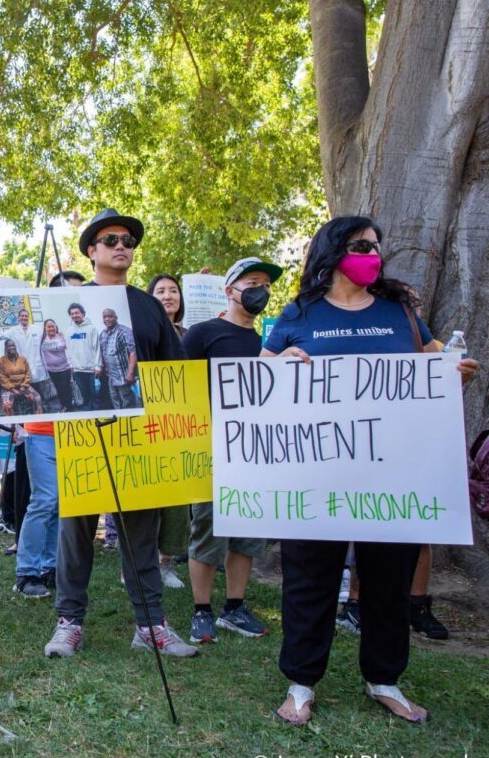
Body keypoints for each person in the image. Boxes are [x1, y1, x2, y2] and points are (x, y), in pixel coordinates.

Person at [263, 215, 479, 724]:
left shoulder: (399, 312)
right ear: (334, 252)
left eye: (378, 247)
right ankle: (301, 683)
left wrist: (455, 373)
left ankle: (385, 678)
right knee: (309, 580)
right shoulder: (300, 313)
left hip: (393, 478)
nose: (373, 254)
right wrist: (280, 365)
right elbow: (259, 380)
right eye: (362, 245)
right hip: (316, 477)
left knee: (387, 580)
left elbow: (434, 366)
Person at [43, 208, 196, 659]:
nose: (121, 246)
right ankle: (68, 622)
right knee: (76, 532)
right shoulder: (67, 304)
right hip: (82, 436)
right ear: (91, 251)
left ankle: (150, 625)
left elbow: (177, 373)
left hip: (140, 437)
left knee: (140, 534)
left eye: (128, 240)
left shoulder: (148, 308)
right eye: (110, 240)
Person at [181, 257, 283, 644]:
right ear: (229, 291)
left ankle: (234, 608)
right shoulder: (202, 333)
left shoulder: (274, 342)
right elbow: (179, 387)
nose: (261, 290)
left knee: (248, 531)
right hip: (211, 448)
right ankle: (201, 610)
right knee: (208, 527)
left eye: (266, 285)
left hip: (257, 450)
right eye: (252, 282)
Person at [145, 273, 191, 591]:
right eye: (160, 291)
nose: (167, 295)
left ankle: (166, 563)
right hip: (147, 426)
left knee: (176, 501)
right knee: (147, 500)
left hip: (180, 426)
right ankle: (140, 562)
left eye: (173, 290)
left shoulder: (191, 334)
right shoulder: (142, 330)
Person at [5, 308, 48, 406]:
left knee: (38, 386)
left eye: (26, 316)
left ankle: (42, 405)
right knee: (27, 386)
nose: (24, 318)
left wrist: (58, 335)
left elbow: (47, 334)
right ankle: (34, 406)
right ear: (19, 317)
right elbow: (2, 336)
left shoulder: (36, 329)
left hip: (35, 362)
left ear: (28, 317)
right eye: (22, 316)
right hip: (22, 363)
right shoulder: (13, 330)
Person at [99, 307, 139, 408]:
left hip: (123, 376)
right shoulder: (103, 334)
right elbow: (104, 353)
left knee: (127, 402)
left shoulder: (124, 331)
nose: (107, 319)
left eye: (110, 316)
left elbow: (133, 352)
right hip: (111, 377)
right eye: (105, 317)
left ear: (116, 317)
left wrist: (130, 373)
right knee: (115, 401)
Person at [65, 301, 101, 410]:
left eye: (77, 313)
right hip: (77, 369)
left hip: (91, 369)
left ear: (83, 314)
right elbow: (68, 349)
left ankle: (97, 412)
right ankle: (87, 413)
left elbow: (97, 348)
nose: (75, 315)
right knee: (84, 394)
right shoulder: (69, 330)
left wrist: (98, 366)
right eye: (72, 314)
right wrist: (71, 365)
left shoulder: (92, 329)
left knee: (95, 394)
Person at [0, 339, 42, 416]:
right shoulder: (1, 361)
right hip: (9, 389)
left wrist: (23, 387)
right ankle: (11, 426)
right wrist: (13, 389)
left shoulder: (23, 359)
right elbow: (2, 378)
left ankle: (37, 421)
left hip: (23, 387)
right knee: (7, 405)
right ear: (6, 348)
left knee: (37, 398)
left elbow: (28, 374)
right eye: (9, 346)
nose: (12, 347)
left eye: (13, 345)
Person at [39, 319, 74, 411]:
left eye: (52, 326)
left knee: (65, 389)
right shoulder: (42, 339)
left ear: (56, 327)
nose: (51, 328)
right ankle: (64, 405)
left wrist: (72, 364)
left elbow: (65, 348)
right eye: (49, 326)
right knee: (58, 389)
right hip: (51, 370)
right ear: (45, 328)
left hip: (64, 369)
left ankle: (68, 407)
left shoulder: (61, 337)